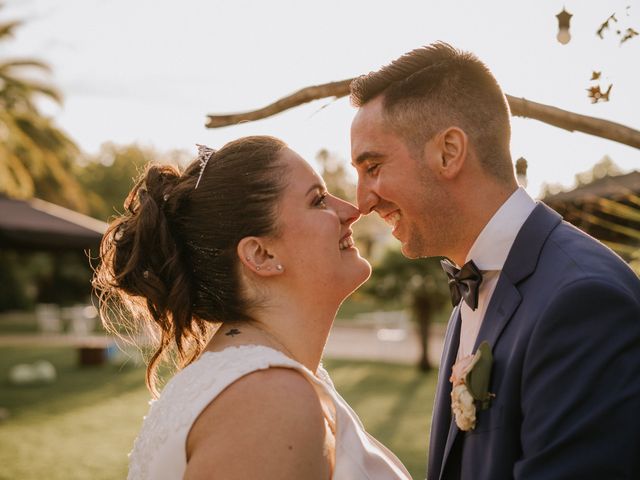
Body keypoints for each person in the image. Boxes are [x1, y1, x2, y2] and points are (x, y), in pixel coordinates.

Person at [349, 42, 640, 479]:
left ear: (449, 152)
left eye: (372, 166)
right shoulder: (476, 286)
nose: (362, 201)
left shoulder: (582, 300)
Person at [94, 136, 412, 480]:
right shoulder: (269, 401)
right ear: (261, 255)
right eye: (318, 200)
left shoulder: (268, 380)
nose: (352, 211)